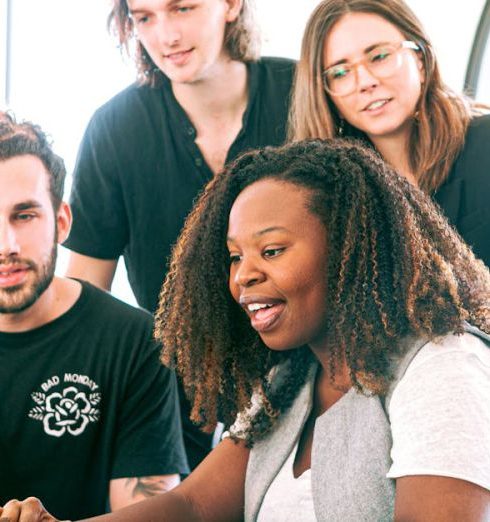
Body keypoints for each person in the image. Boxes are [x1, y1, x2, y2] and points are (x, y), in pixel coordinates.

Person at [4, 139, 490, 521]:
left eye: (271, 251)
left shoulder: (443, 365)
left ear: (348, 249)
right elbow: (192, 507)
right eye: (236, 256)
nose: (243, 276)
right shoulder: (290, 380)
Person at [63, 0, 295, 469]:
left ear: (231, 5)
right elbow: (86, 292)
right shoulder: (115, 128)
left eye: (182, 8)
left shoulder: (301, 92)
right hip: (178, 390)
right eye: (144, 17)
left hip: (308, 368)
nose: (164, 35)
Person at [0, 111, 189, 521]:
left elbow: (150, 511)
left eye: (24, 215)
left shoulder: (134, 340)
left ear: (62, 221)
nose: (6, 244)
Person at [289, 0, 490, 267]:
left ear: (420, 59)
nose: (365, 82)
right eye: (340, 73)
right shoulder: (331, 195)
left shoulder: (484, 142)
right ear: (325, 94)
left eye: (379, 56)